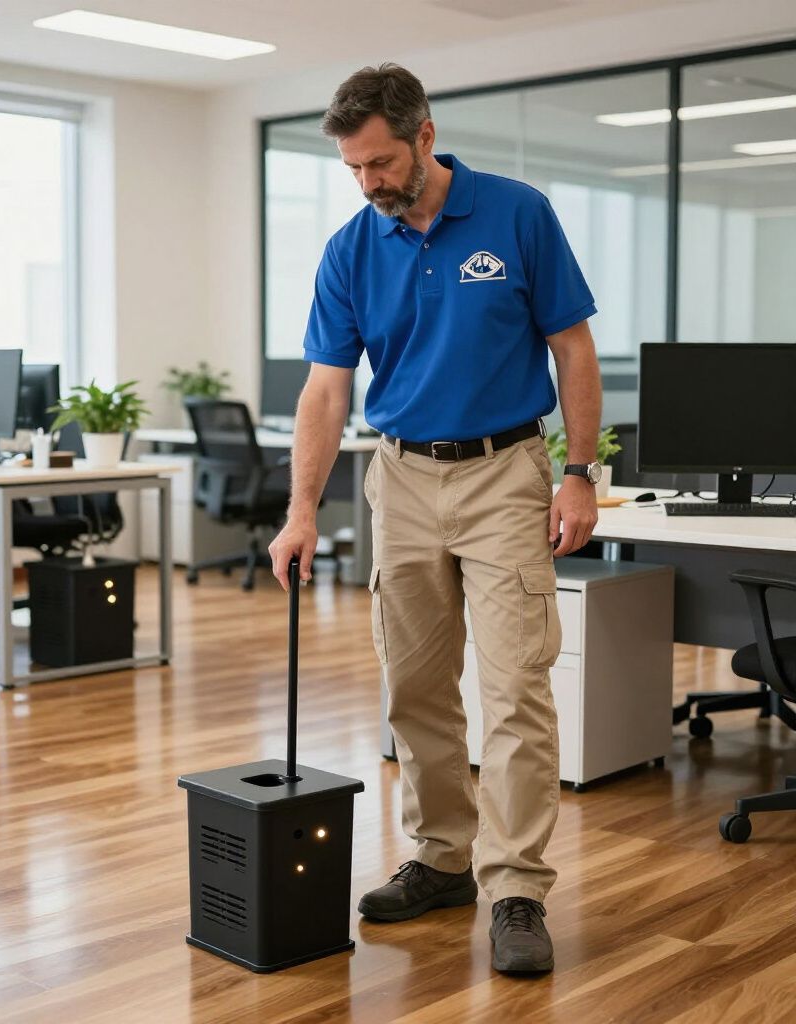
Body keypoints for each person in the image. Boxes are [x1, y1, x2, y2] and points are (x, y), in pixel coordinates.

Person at [268, 63, 602, 975]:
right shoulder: (350, 249)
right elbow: (327, 391)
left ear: (422, 136)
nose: (370, 183)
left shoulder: (516, 213)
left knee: (514, 689)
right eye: (353, 170)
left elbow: (572, 347)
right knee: (414, 688)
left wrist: (579, 475)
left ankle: (519, 886)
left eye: (379, 162)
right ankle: (443, 858)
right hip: (402, 477)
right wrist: (302, 512)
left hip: (505, 472)